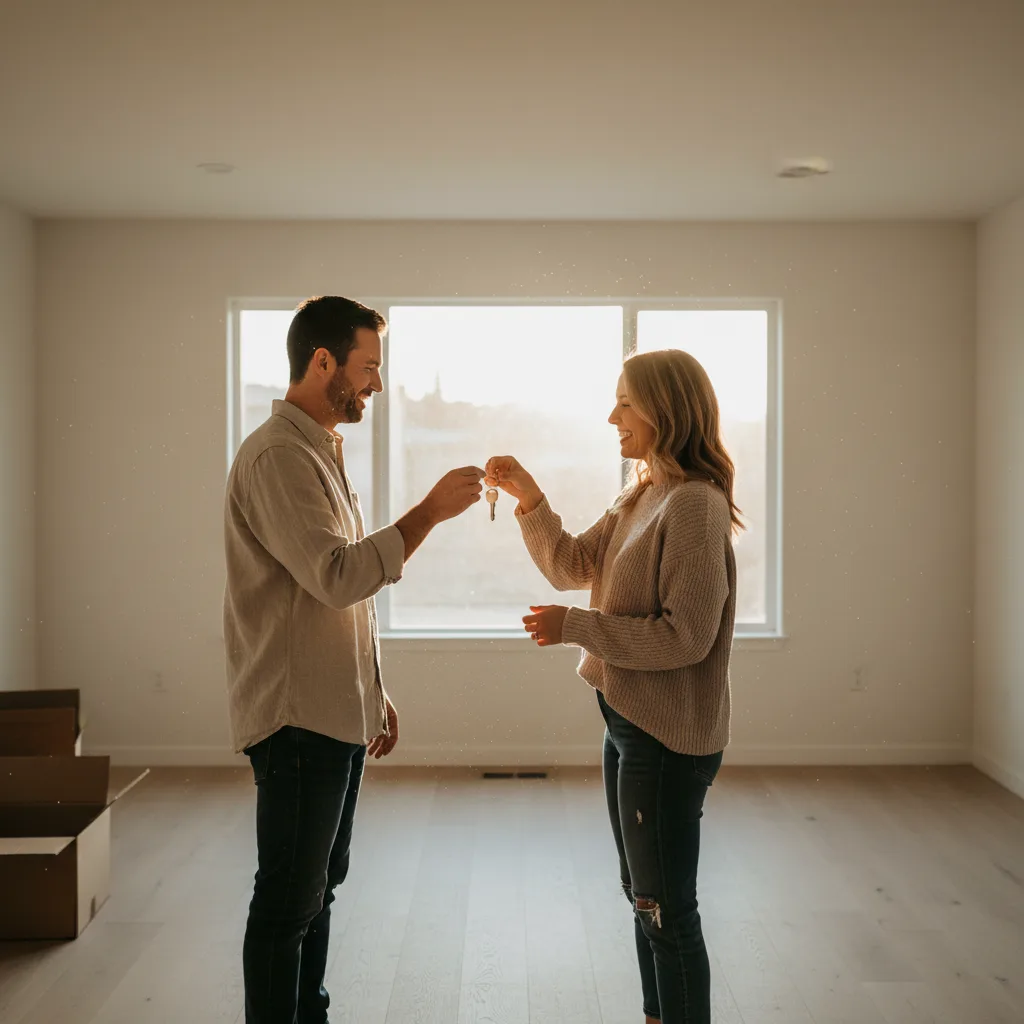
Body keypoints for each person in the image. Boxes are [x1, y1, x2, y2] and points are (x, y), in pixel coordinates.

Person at [223, 295, 484, 1024]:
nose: (375, 383)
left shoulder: (317, 452)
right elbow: (337, 575)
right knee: (289, 899)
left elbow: (332, 598)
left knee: (318, 887)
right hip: (296, 716)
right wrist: (427, 512)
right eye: (367, 367)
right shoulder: (279, 456)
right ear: (323, 361)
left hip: (330, 710)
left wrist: (374, 690)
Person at [485, 348, 741, 1024]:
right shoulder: (644, 491)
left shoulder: (693, 506)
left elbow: (685, 637)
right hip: (628, 722)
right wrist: (530, 498)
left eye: (624, 402)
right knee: (643, 894)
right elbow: (571, 564)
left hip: (664, 736)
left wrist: (580, 628)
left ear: (665, 409)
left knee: (664, 907)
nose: (611, 416)